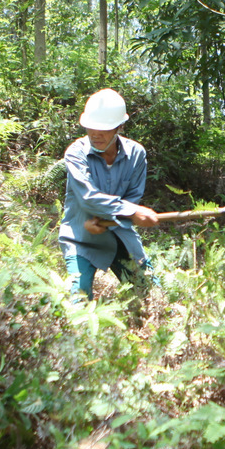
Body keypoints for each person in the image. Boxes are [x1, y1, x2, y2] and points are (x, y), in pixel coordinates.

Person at [59, 89, 160, 298]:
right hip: (81, 237)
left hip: (119, 235)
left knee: (151, 292)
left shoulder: (136, 154)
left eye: (103, 129)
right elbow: (88, 197)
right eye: (90, 128)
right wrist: (132, 211)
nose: (95, 134)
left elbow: (132, 196)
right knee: (79, 298)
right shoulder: (76, 153)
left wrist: (121, 215)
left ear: (119, 127)